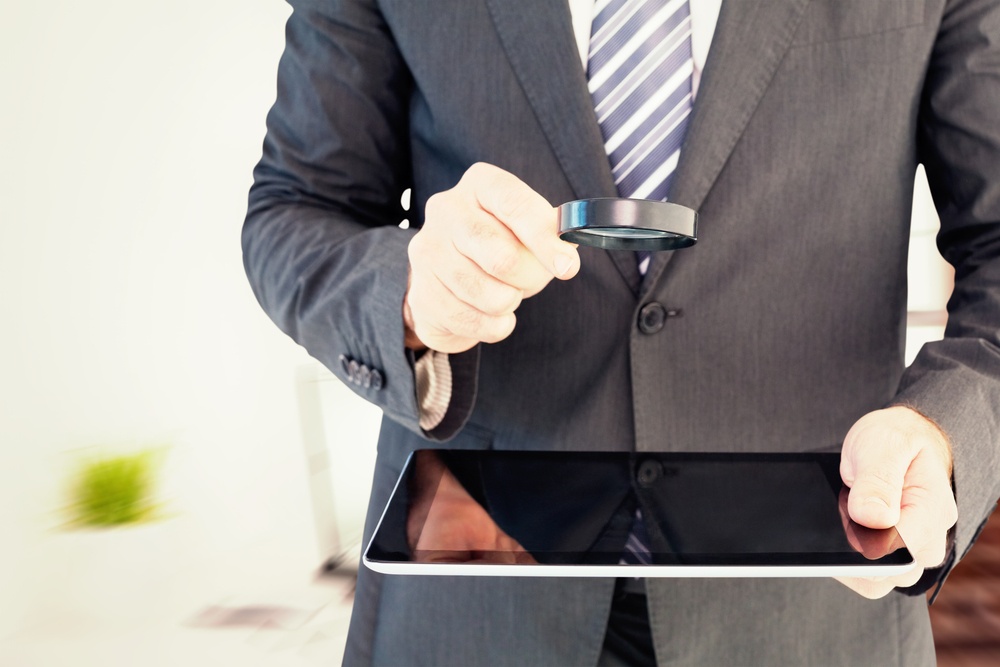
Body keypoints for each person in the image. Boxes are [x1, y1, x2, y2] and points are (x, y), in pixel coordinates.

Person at [242, 0, 1000, 664]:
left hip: (813, 617)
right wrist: (408, 292)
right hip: (474, 608)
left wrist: (942, 428)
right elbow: (294, 208)